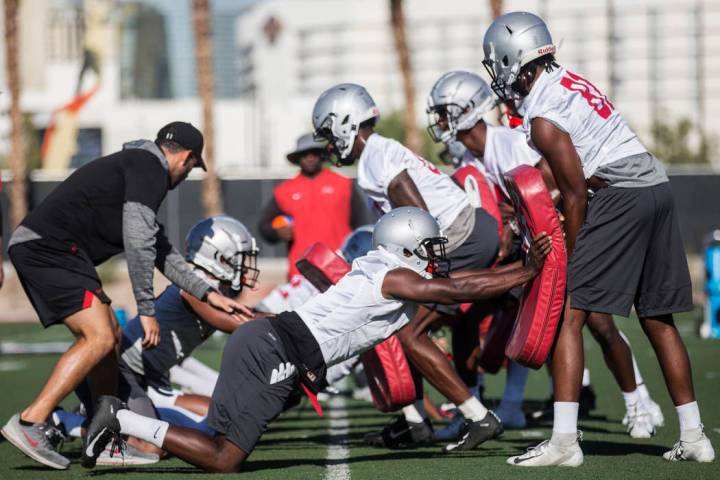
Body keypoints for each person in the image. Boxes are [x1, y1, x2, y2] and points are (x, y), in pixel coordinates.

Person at [81, 207, 553, 472]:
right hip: (277, 349)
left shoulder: (385, 273)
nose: (434, 257)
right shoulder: (395, 275)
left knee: (211, 439)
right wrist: (526, 270)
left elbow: (435, 313)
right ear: (406, 246)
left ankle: (119, 420)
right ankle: (120, 417)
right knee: (225, 458)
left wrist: (513, 273)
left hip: (272, 343)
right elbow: (453, 289)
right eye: (428, 248)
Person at [482, 11, 714, 465]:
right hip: (656, 186)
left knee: (571, 311)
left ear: (513, 59)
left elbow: (573, 193)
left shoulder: (543, 117)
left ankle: (565, 443)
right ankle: (695, 437)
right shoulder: (567, 79)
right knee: (657, 318)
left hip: (621, 195)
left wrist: (569, 250)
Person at [427, 69, 664, 435]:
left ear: (466, 109)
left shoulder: (511, 143)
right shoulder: (472, 161)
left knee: (598, 322)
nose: (439, 120)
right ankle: (495, 406)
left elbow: (563, 181)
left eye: (444, 111)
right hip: (532, 243)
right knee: (498, 317)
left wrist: (557, 234)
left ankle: (639, 402)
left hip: (562, 230)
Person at [0, 122, 244, 470]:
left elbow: (159, 248)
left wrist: (208, 293)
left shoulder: (137, 169)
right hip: (48, 248)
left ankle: (104, 431)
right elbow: (139, 241)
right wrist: (147, 309)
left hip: (55, 250)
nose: (187, 175)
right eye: (192, 167)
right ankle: (31, 422)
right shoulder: (150, 168)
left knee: (110, 337)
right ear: (187, 158)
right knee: (99, 336)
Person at [313, 84, 502, 450]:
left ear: (344, 124)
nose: (327, 144)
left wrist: (422, 273)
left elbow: (418, 218)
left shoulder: (374, 160)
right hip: (462, 231)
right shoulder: (378, 153)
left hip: (457, 235)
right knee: (398, 322)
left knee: (407, 332)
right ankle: (415, 421)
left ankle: (477, 417)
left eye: (327, 134)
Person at [258, 133, 368, 278]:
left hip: (341, 269)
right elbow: (263, 226)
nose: (310, 157)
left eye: (314, 153)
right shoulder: (284, 191)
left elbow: (361, 226)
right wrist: (277, 232)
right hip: (301, 272)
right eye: (305, 154)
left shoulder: (343, 185)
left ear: (321, 156)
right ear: (298, 158)